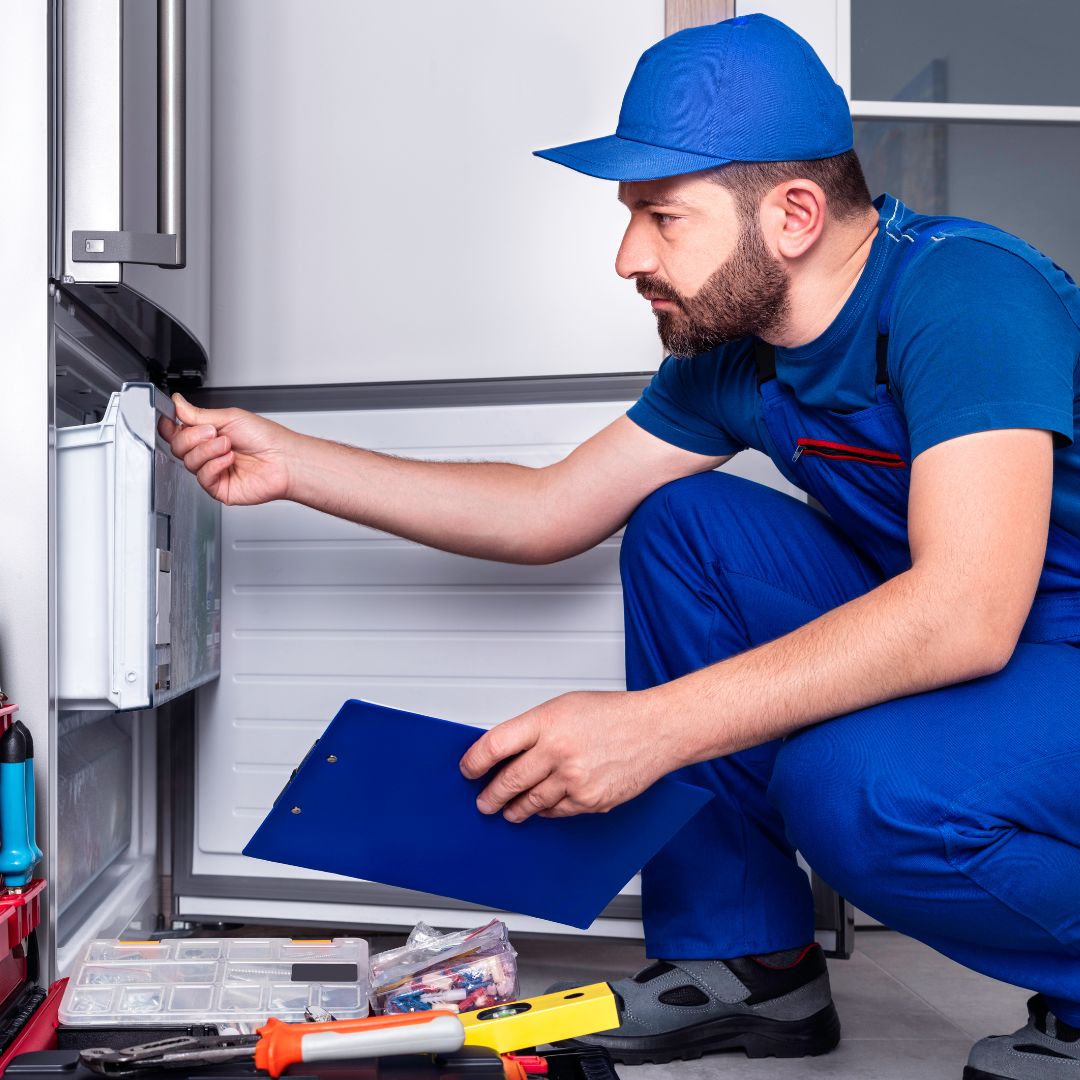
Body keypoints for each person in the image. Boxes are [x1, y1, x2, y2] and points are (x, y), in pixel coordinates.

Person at [163, 14, 1080, 1078]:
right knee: (688, 527)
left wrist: (651, 730)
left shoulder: (964, 293)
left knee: (854, 787)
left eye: (660, 217)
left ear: (791, 215)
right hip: (995, 636)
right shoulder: (734, 354)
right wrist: (292, 462)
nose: (626, 256)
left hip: (1030, 636)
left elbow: (966, 611)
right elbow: (549, 508)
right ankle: (752, 964)